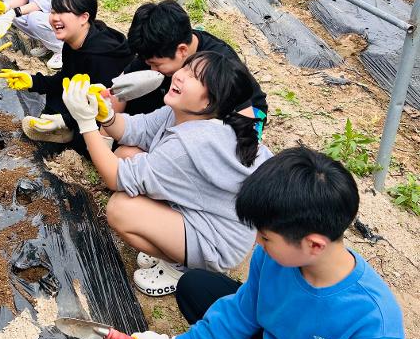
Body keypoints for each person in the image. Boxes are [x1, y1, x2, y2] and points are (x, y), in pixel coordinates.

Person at [124, 147, 405, 339]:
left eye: (267, 237)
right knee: (196, 286)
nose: (257, 241)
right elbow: (244, 311)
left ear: (314, 245)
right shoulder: (273, 258)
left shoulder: (374, 322)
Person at [61, 52, 273, 296]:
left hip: (217, 240)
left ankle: (182, 267)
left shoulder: (191, 144)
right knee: (127, 153)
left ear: (208, 103)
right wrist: (105, 114)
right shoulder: (185, 115)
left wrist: (86, 123)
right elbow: (134, 130)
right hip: (204, 212)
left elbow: (115, 177)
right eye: (187, 68)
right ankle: (174, 243)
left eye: (194, 77)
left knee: (120, 209)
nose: (181, 76)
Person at [0, 0, 132, 153]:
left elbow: (103, 104)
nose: (55, 18)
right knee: (58, 93)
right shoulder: (73, 40)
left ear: (84, 17)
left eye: (63, 12)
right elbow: (66, 78)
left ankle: (66, 130)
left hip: (114, 112)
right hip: (87, 98)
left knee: (85, 145)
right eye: (53, 12)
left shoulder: (102, 56)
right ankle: (64, 129)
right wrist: (32, 81)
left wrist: (66, 120)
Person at [119, 0, 267, 137]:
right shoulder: (160, 48)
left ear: (182, 50)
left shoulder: (220, 64)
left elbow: (246, 120)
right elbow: (122, 85)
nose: (152, 70)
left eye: (157, 65)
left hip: (246, 112)